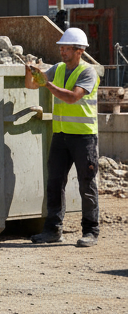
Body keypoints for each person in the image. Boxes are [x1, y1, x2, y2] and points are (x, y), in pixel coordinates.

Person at [27, 27, 100, 247]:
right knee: (55, 183)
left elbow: (72, 98)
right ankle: (52, 231)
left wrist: (46, 83)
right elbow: (30, 85)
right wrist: (30, 71)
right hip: (61, 136)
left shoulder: (88, 72)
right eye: (61, 48)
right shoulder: (58, 68)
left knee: (86, 185)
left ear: (79, 51)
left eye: (67, 48)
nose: (62, 52)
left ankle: (91, 231)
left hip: (83, 138)